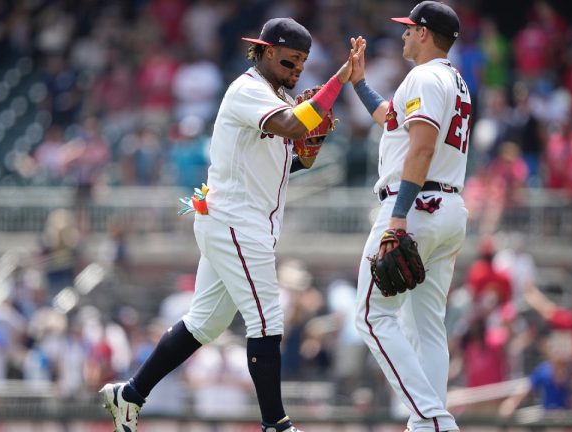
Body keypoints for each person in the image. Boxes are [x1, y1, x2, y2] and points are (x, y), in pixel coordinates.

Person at [99, 17, 364, 432]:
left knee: (205, 323)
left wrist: (314, 143)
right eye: (289, 61)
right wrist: (337, 83)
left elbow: (289, 161)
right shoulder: (248, 90)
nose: (296, 71)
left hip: (237, 222)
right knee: (267, 320)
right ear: (265, 50)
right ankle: (276, 424)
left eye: (302, 64)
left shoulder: (274, 97)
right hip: (236, 223)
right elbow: (294, 125)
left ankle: (130, 394)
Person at [349, 2, 470, 431]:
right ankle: (428, 425)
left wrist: (397, 218)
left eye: (407, 29)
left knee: (370, 316)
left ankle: (433, 419)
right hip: (448, 207)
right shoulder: (452, 79)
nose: (402, 35)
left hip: (414, 205)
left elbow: (421, 147)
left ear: (423, 33)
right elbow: (394, 121)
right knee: (426, 326)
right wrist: (360, 84)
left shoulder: (424, 76)